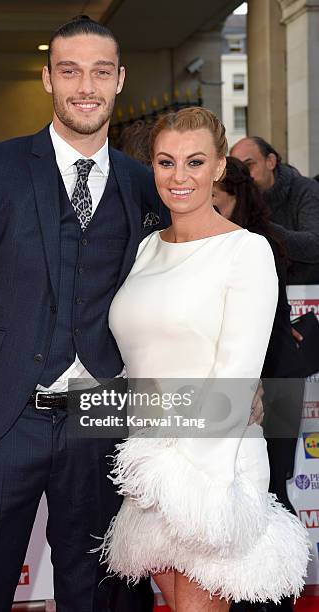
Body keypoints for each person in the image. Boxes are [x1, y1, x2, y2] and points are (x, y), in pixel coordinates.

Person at [0, 16, 166, 612]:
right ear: (47, 78)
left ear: (120, 79)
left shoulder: (141, 182)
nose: (86, 85)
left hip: (100, 421)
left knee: (99, 590)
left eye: (100, 71)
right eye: (70, 70)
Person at [101, 108, 310, 612]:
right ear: (151, 167)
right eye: (166, 162)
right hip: (149, 460)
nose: (179, 177)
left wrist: (201, 486)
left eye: (195, 162)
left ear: (219, 167)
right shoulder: (148, 248)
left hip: (211, 465)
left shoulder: (246, 251)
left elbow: (237, 374)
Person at [213, 157, 305, 612]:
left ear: (238, 196)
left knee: (272, 491)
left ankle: (275, 594)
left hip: (274, 381)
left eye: (217, 200)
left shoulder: (257, 244)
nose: (208, 208)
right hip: (256, 378)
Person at [230, 136, 319, 284]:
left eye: (249, 165)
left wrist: (265, 230)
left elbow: (315, 245)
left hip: (305, 296)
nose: (245, 176)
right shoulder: (237, 197)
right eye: (240, 170)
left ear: (270, 161)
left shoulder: (306, 190)